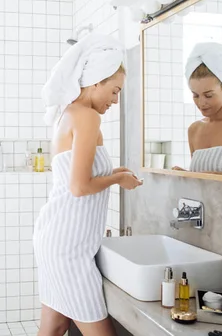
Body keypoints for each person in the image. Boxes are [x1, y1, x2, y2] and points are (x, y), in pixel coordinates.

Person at [35, 33, 143, 336]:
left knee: (54, 328)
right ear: (96, 81)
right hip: (68, 247)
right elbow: (80, 187)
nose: (116, 99)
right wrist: (118, 179)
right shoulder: (87, 117)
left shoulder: (70, 114)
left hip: (58, 239)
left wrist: (115, 172)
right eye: (114, 90)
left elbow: (80, 174)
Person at [172, 42, 222, 175]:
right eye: (195, 95)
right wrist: (186, 174)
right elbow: (203, 180)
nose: (201, 103)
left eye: (208, 95)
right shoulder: (194, 130)